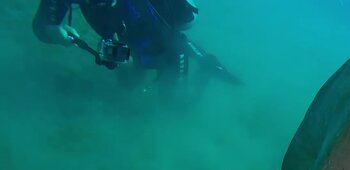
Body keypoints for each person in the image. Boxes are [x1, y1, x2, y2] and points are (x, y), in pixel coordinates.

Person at [32, 0, 241, 97]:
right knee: (126, 85)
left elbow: (172, 46)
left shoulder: (137, 6)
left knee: (175, 109)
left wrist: (134, 60)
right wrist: (53, 32)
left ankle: (205, 70)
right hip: (132, 46)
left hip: (169, 52)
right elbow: (40, 26)